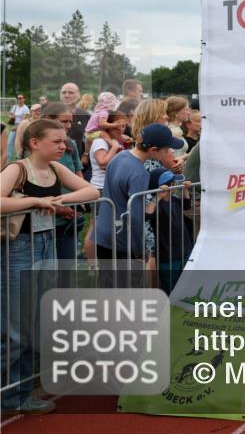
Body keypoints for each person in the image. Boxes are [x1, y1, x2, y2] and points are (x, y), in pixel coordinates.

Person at [1, 119, 98, 415]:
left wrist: (58, 200)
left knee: (33, 322)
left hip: (47, 245)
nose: (64, 145)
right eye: (56, 140)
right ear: (34, 142)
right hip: (19, 249)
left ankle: (20, 394)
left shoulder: (56, 169)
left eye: (64, 140)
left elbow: (91, 191)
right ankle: (9, 393)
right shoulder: (17, 170)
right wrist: (33, 201)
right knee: (15, 327)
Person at [95, 123, 182, 279]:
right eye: (166, 149)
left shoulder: (120, 156)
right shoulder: (140, 173)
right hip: (122, 240)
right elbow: (136, 217)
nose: (169, 152)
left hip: (104, 234)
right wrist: (140, 250)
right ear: (153, 149)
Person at [41, 102, 86, 265]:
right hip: (45, 218)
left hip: (69, 218)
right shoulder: (36, 147)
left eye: (70, 121)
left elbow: (79, 177)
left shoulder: (71, 144)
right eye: (64, 121)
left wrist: (80, 203)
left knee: (67, 266)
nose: (68, 126)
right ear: (48, 119)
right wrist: (58, 208)